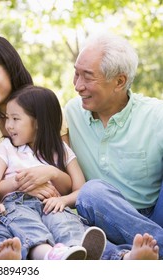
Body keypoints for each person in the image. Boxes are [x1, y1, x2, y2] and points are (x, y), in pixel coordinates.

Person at [0, 36, 70, 260]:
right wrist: (26, 185)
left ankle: (120, 259)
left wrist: (49, 176)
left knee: (68, 232)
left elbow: (66, 183)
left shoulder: (47, 108)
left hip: (48, 207)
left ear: (9, 67)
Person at [65, 32, 162, 260]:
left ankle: (140, 252)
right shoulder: (71, 113)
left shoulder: (156, 115)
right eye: (76, 73)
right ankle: (140, 254)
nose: (77, 85)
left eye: (87, 77)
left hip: (151, 215)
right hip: (99, 216)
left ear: (119, 81)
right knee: (91, 193)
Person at [0, 85, 106, 260]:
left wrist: (62, 200)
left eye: (16, 119)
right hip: (18, 204)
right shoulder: (7, 148)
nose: (9, 125)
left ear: (38, 122)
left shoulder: (60, 149)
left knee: (66, 223)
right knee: (29, 227)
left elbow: (81, 189)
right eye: (7, 118)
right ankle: (49, 255)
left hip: (51, 204)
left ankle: (76, 251)